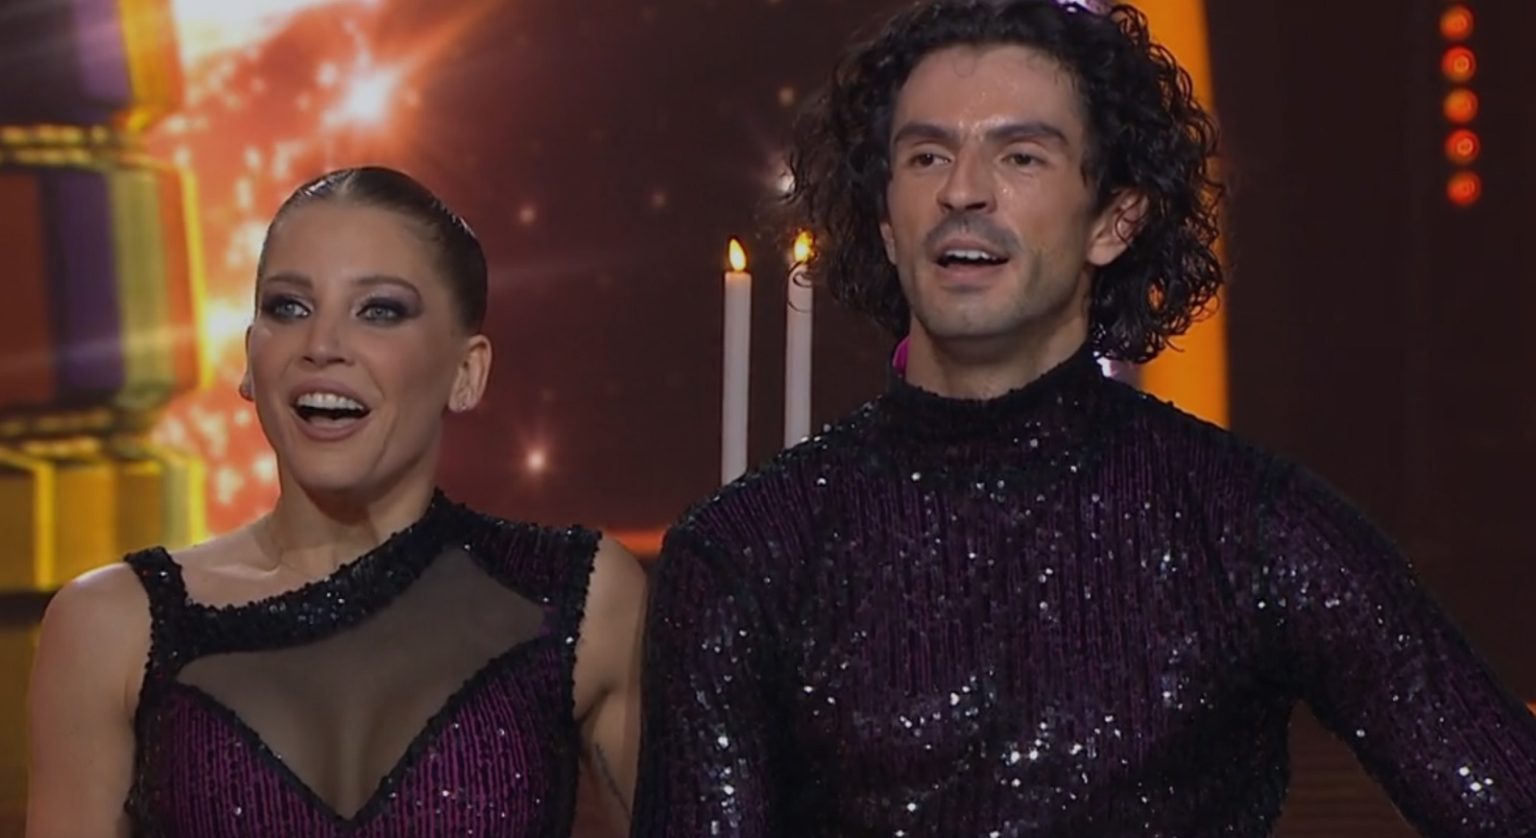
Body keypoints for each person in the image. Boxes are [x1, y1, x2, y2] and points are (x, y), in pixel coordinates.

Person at [631, 2, 1536, 835]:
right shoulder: (746, 550)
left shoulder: (1251, 527)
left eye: (1020, 156)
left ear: (1115, 220)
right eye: (927, 156)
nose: (962, 191)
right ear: (885, 223)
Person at [27, 166, 645, 837]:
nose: (321, 346)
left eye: (379, 311)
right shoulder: (114, 629)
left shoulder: (579, 601)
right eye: (289, 308)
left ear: (466, 373)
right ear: (249, 359)